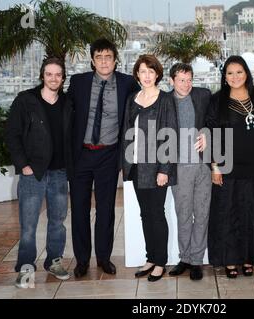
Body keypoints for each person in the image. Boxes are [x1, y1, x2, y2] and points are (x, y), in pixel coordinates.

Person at [68, 38, 139, 278]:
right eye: (99, 57)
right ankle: (81, 260)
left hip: (109, 155)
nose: (104, 61)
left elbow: (142, 107)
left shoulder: (128, 83)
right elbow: (66, 116)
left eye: (108, 56)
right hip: (81, 156)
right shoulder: (78, 82)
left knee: (106, 210)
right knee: (79, 210)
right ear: (92, 60)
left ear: (115, 59)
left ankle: (104, 258)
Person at [6, 57, 73, 287]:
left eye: (58, 74)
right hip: (33, 173)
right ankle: (26, 267)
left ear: (63, 78)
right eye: (49, 74)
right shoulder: (26, 100)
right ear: (42, 76)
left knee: (58, 221)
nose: (53, 78)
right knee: (29, 224)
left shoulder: (67, 102)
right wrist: (23, 164)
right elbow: (12, 134)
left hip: (59, 172)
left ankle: (54, 261)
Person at [207, 55, 254, 279]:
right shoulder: (217, 101)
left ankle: (247, 258)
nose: (235, 77)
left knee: (250, 214)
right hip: (226, 168)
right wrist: (214, 167)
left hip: (253, 168)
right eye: (230, 73)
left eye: (239, 72)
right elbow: (210, 135)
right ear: (224, 77)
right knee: (227, 214)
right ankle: (230, 260)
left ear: (247, 73)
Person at [122, 54, 178, 282]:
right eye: (143, 71)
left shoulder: (165, 99)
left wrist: (164, 169)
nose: (147, 76)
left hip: (157, 169)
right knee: (145, 214)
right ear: (137, 74)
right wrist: (124, 165)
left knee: (157, 214)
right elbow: (126, 133)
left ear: (157, 75)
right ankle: (150, 258)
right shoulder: (132, 99)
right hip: (135, 166)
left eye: (151, 71)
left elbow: (170, 136)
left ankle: (160, 262)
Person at [167, 63, 212, 281]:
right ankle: (184, 258)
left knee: (202, 214)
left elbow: (215, 120)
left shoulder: (204, 95)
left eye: (189, 79)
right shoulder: (164, 101)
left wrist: (208, 135)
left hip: (203, 166)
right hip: (179, 168)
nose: (186, 84)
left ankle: (197, 260)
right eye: (181, 80)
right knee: (183, 215)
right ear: (171, 81)